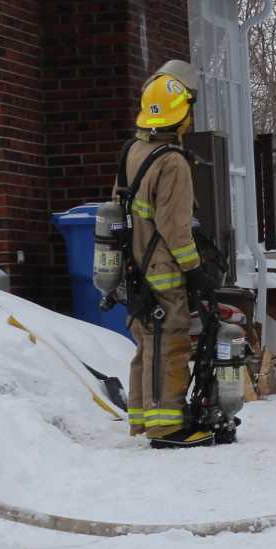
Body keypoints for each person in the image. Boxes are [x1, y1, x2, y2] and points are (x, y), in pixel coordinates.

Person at [118, 59, 220, 448]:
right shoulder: (172, 162)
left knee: (148, 342)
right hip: (162, 266)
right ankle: (166, 427)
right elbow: (175, 227)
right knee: (171, 340)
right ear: (180, 116)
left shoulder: (132, 152)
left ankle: (143, 418)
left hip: (135, 265)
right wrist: (195, 270)